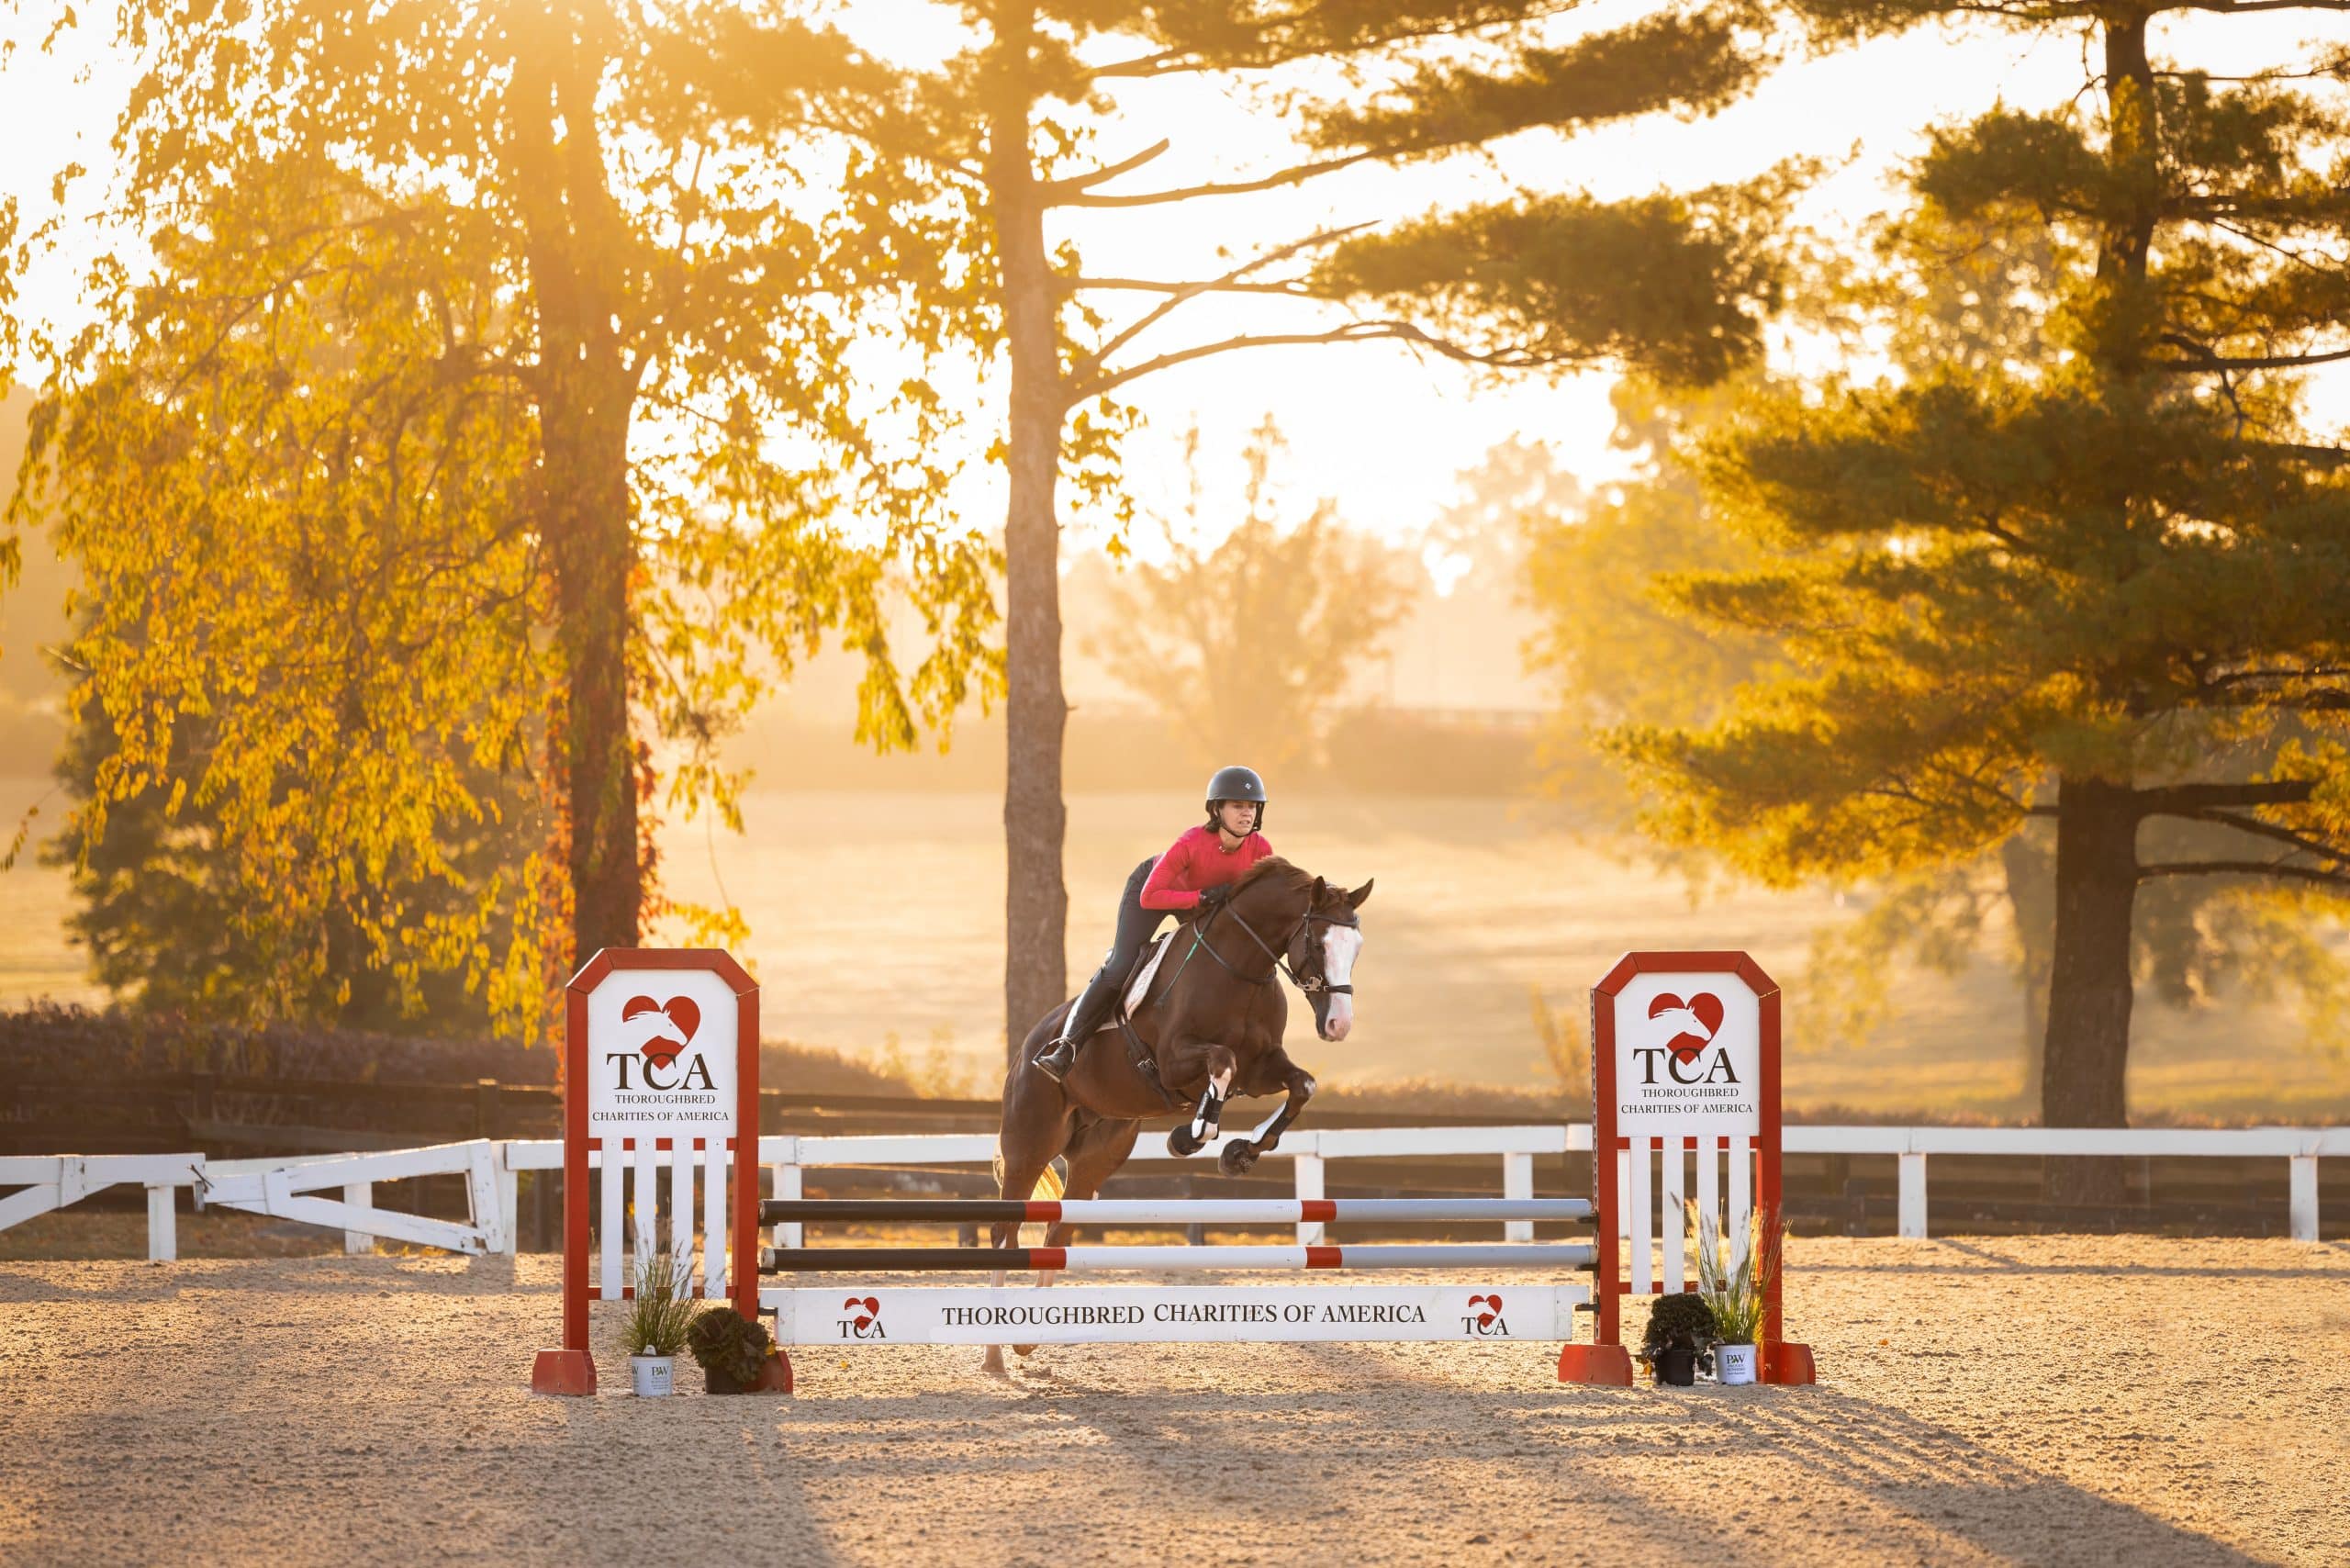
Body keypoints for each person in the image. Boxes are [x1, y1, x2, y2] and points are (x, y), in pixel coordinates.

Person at [1028, 765, 1274, 1081]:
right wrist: (1200, 897)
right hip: (1153, 889)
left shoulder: (1261, 850)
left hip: (1202, 902)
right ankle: (1067, 1047)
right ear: (1216, 810)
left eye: (1252, 806)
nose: (1247, 813)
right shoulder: (1191, 842)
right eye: (1238, 806)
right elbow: (1150, 896)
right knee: (1121, 965)